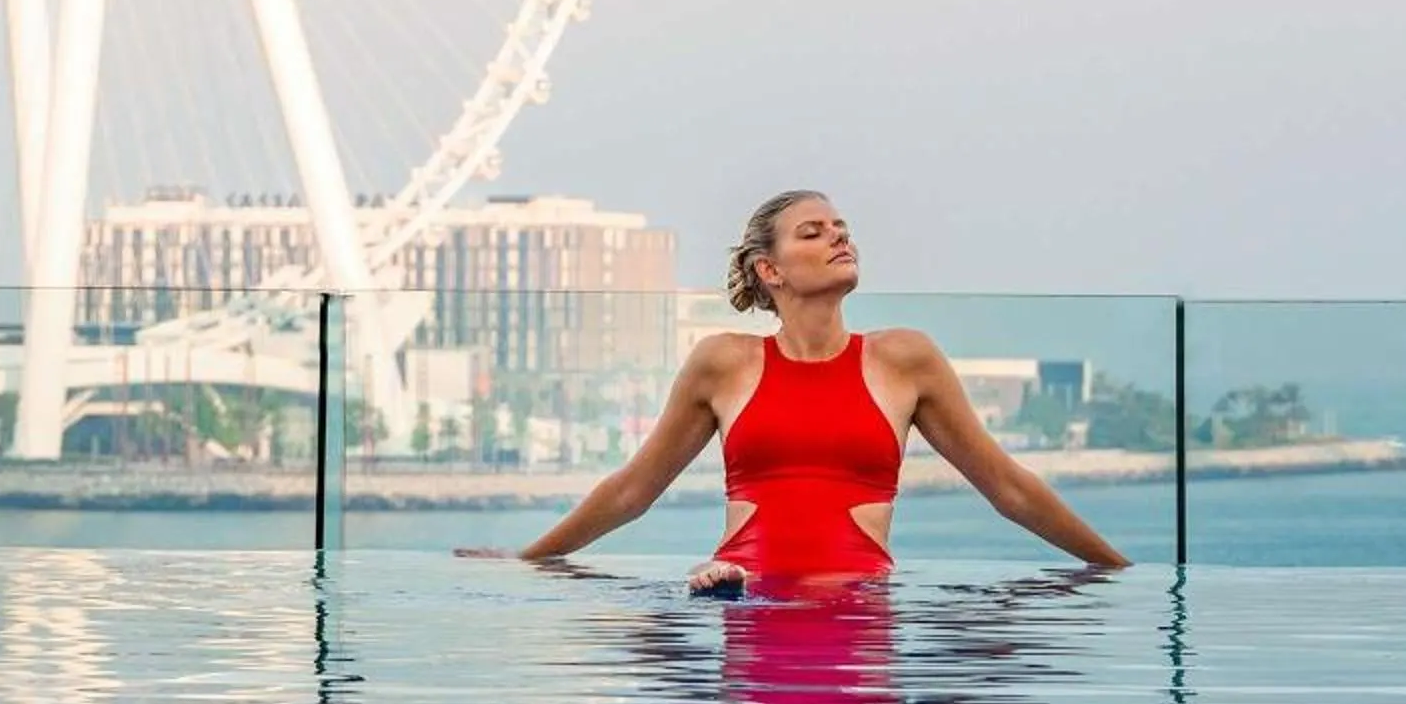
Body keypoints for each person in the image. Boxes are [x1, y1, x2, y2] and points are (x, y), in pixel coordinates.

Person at [473, 191, 1127, 590]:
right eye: (812, 233)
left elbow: (1009, 488)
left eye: (840, 227)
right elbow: (632, 489)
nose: (838, 236)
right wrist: (529, 558)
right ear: (771, 269)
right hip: (739, 587)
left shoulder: (906, 359)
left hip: (860, 598)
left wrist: (1119, 568)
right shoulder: (722, 362)